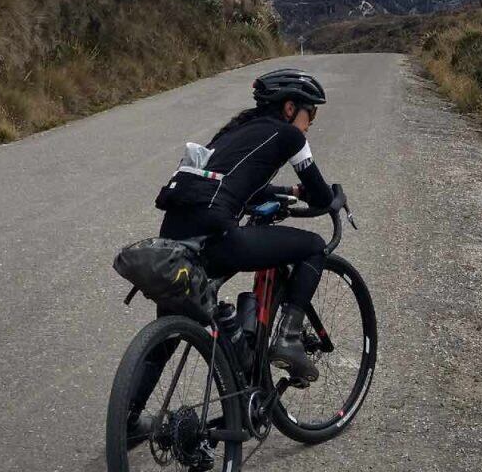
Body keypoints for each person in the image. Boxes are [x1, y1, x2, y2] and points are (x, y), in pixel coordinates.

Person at [128, 68, 334, 446]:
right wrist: (329, 197)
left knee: (169, 334)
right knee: (313, 247)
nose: (310, 124)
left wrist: (288, 193)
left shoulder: (232, 134)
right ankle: (287, 338)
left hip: (175, 238)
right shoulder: (289, 134)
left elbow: (241, 188)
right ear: (290, 109)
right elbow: (321, 196)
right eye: (311, 114)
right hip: (218, 236)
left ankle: (127, 421)